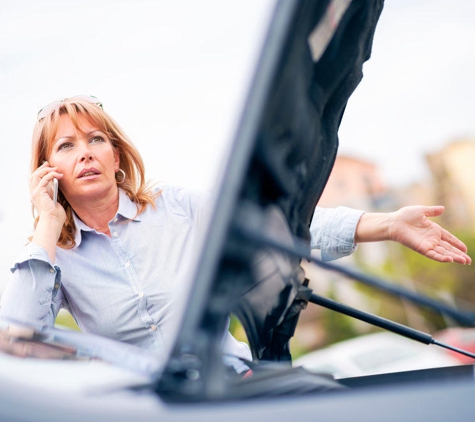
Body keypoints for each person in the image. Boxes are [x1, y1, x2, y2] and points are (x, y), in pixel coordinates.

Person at [0, 96, 470, 373]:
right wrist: (47, 224)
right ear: (49, 170)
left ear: (117, 155)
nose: (85, 153)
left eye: (96, 139)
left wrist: (386, 224)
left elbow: (274, 226)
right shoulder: (49, 255)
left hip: (231, 384)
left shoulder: (175, 206)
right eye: (66, 145)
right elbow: (18, 341)